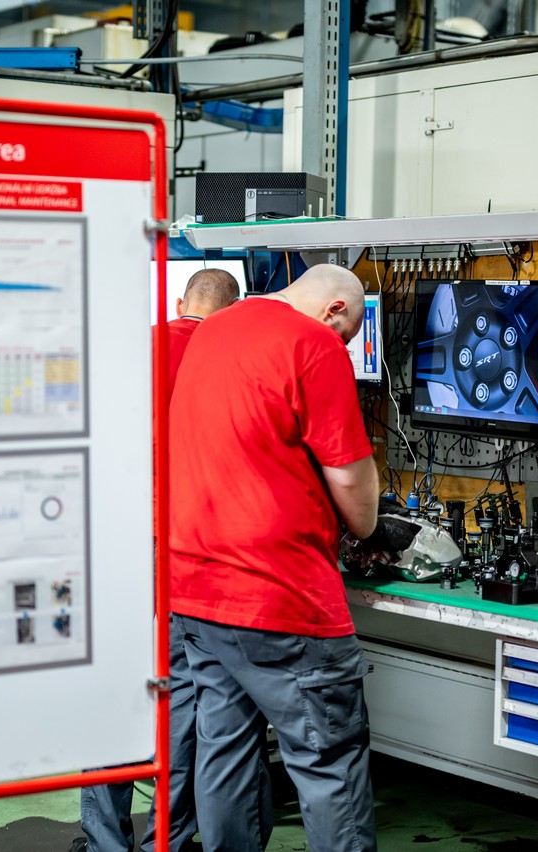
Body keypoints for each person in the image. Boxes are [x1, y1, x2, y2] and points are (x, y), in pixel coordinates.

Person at [168, 264, 380, 852]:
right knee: (328, 760)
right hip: (281, 595)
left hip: (199, 589)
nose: (342, 346)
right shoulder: (313, 342)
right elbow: (350, 479)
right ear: (335, 310)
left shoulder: (213, 330)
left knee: (225, 751)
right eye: (346, 335)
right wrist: (367, 523)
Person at [73, 267, 241, 852]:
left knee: (115, 687)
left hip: (124, 537)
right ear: (233, 311)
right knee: (184, 694)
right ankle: (166, 840)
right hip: (197, 542)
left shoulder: (133, 347)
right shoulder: (234, 357)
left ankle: (103, 841)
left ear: (178, 301)